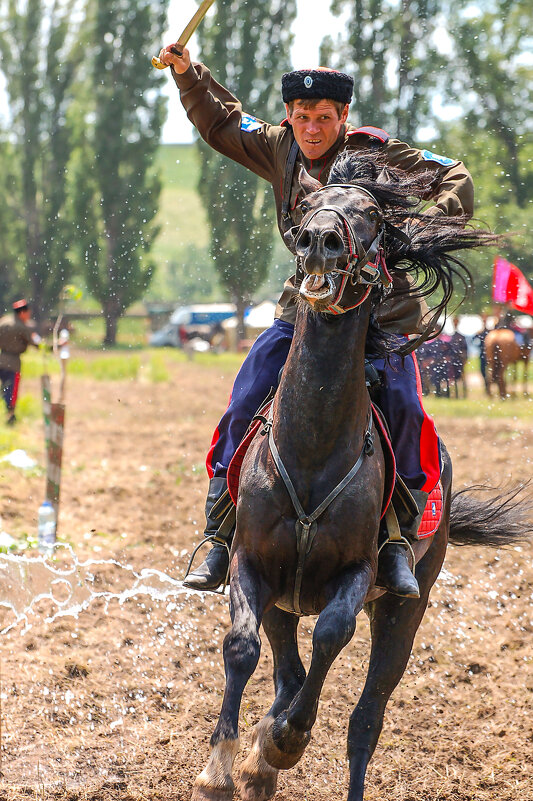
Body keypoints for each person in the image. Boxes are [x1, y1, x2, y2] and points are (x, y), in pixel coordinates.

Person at [159, 44, 474, 597]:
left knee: (403, 407)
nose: (311, 128)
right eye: (301, 117)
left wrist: (412, 233)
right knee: (246, 393)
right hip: (304, 308)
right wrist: (189, 75)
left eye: (323, 118)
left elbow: (458, 178)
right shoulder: (280, 148)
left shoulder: (380, 154)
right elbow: (222, 123)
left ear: (343, 118)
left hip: (382, 313)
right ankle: (218, 530)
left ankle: (398, 540)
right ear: (289, 118)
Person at [0, 299, 41, 424]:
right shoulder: (21, 326)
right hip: (13, 363)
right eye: (28, 313)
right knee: (12, 391)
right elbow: (36, 344)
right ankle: (10, 415)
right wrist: (51, 347)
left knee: (4, 389)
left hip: (1, 360)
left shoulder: (3, 321)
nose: (29, 315)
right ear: (22, 312)